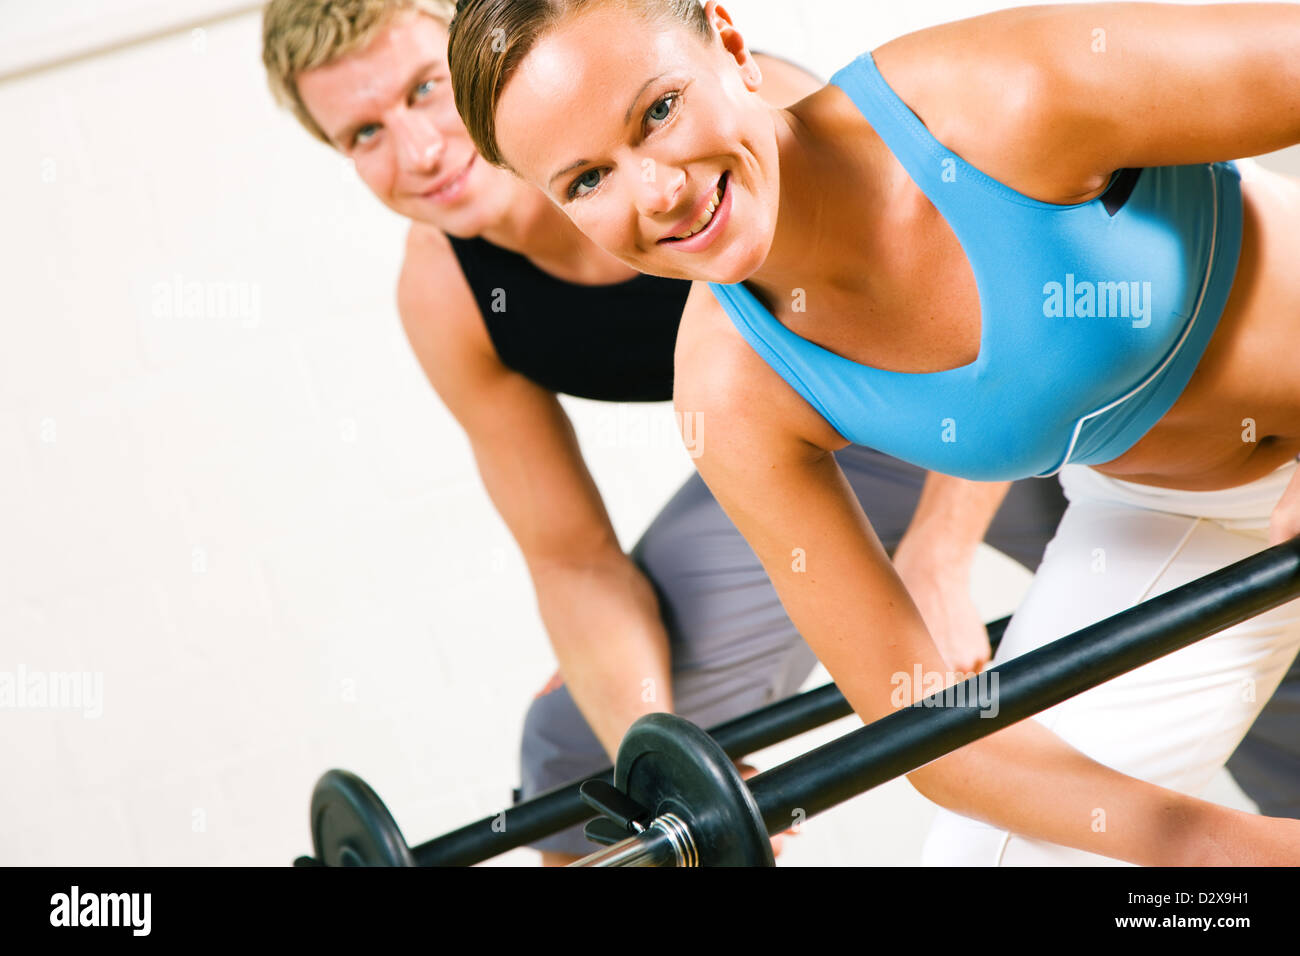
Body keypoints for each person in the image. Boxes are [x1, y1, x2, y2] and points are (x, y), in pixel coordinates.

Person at [447, 0, 1300, 864]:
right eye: (587, 180)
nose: (657, 191)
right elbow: (928, 731)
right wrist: (1218, 849)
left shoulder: (991, 101)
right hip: (1174, 512)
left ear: (731, 44)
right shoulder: (731, 388)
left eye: (658, 110)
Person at [262, 0, 1084, 864]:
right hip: (798, 459)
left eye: (427, 89)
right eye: (363, 133)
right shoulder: (447, 295)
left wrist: (940, 556)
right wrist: (660, 748)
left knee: (1214, 578)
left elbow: (992, 302)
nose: (420, 151)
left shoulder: (735, 118)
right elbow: (570, 557)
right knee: (577, 756)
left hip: (986, 378)